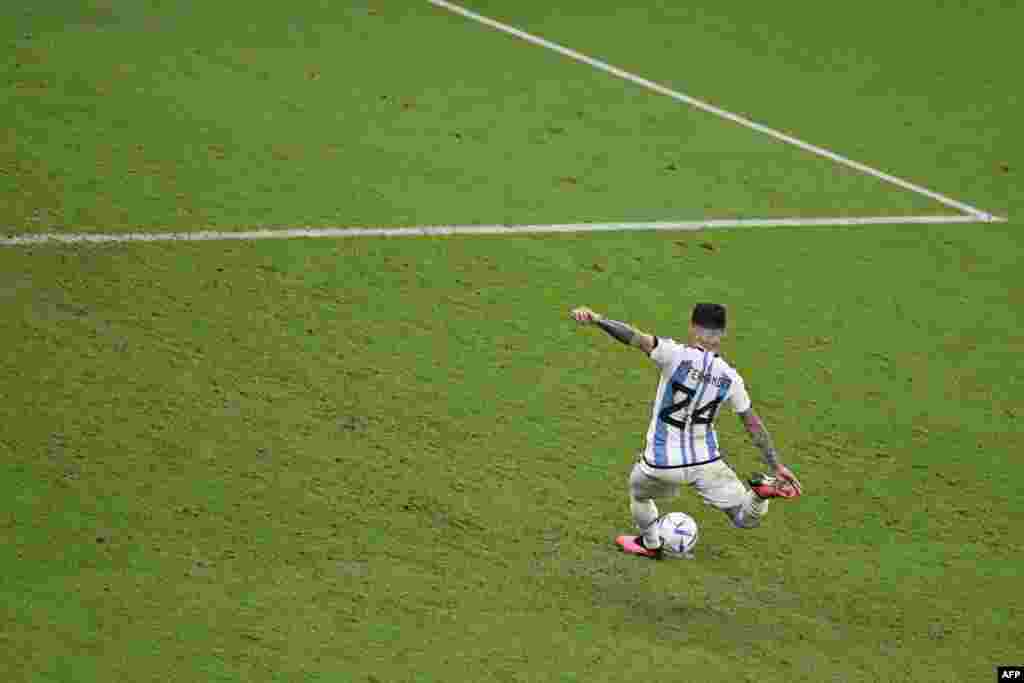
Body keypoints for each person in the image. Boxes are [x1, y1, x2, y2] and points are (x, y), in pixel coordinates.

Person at [569, 303, 803, 558]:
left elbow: (633, 337)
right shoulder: (730, 378)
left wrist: (598, 319)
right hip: (706, 460)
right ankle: (759, 495)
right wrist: (776, 465)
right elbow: (752, 424)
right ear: (722, 333)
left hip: (662, 461)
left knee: (639, 494)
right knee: (744, 517)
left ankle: (650, 543)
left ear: (692, 326)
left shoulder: (674, 354)